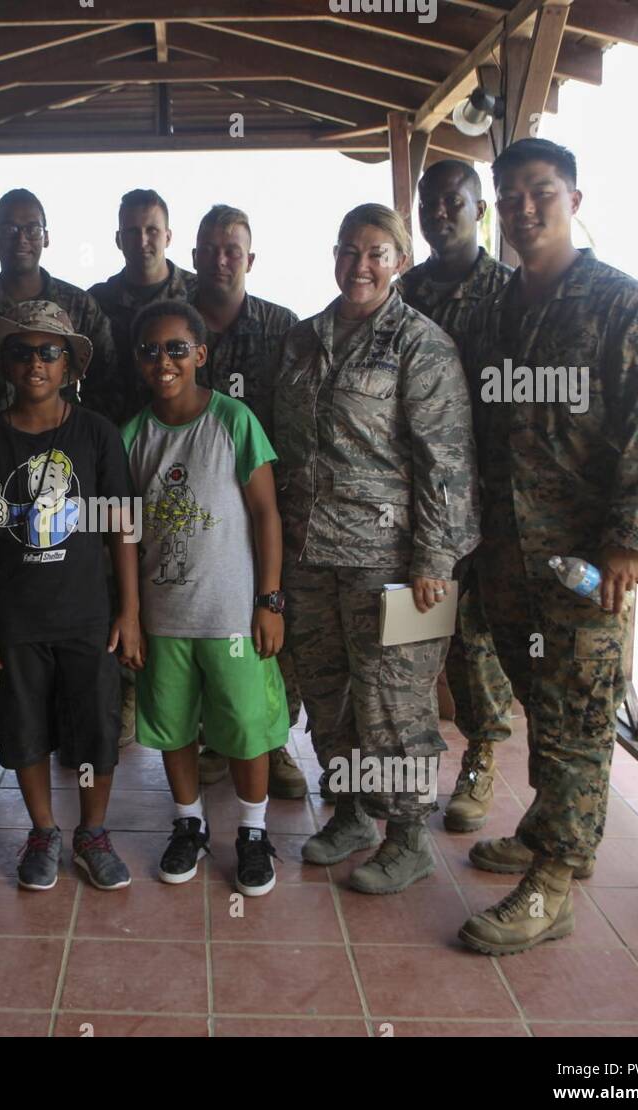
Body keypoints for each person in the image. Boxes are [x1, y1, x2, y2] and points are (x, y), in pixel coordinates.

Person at [457, 139, 638, 954]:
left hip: (588, 564)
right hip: (508, 559)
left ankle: (552, 881)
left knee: (581, 716)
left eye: (539, 193)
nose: (522, 209)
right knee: (541, 705)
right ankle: (554, 826)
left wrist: (633, 541)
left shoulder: (624, 306)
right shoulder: (492, 311)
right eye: (509, 196)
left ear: (574, 199)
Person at [276, 204, 480, 895]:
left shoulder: (422, 344)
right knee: (329, 696)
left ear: (398, 260)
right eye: (348, 250)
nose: (359, 265)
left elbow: (445, 461)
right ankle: (352, 812)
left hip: (394, 564)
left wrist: (434, 560)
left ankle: (408, 835)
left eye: (376, 252)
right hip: (310, 558)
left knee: (395, 705)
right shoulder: (305, 339)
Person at [0, 301, 143, 890]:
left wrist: (130, 611)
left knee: (94, 728)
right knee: (23, 726)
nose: (35, 363)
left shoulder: (97, 435)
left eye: (49, 352)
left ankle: (91, 831)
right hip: (14, 620)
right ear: (5, 364)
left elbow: (122, 526)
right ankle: (42, 829)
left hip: (87, 615)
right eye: (22, 351)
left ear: (69, 366)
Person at [122, 300, 289, 897]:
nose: (163, 361)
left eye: (175, 349)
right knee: (172, 728)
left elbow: (267, 513)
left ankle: (251, 831)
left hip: (232, 618)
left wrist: (269, 601)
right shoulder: (134, 436)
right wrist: (131, 617)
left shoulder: (233, 420)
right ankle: (189, 823)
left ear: (199, 354)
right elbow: (124, 531)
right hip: (165, 619)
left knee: (247, 726)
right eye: (150, 350)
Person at [398, 159, 515, 833]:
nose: (440, 212)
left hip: (489, 499)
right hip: (411, 498)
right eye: (430, 202)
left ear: (479, 210)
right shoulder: (403, 290)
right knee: (411, 635)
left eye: (454, 202)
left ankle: (481, 756)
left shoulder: (509, 292)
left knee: (474, 640)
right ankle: (404, 775)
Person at [188, 203, 305, 799]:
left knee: (270, 621)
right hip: (197, 509)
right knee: (208, 620)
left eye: (232, 248)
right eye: (209, 248)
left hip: (267, 506)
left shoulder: (285, 328)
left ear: (250, 259)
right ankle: (214, 736)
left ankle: (273, 741)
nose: (220, 258)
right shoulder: (175, 326)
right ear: (193, 257)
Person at [0, 188, 115, 414]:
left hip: (61, 444)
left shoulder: (80, 305)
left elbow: (107, 380)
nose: (21, 238)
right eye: (9, 228)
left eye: (33, 229)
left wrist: (82, 433)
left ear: (46, 238)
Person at [88, 189, 196, 428]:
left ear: (168, 237)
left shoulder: (198, 295)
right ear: (118, 239)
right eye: (132, 231)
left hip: (183, 436)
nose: (142, 241)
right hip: (112, 436)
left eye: (152, 231)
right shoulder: (96, 302)